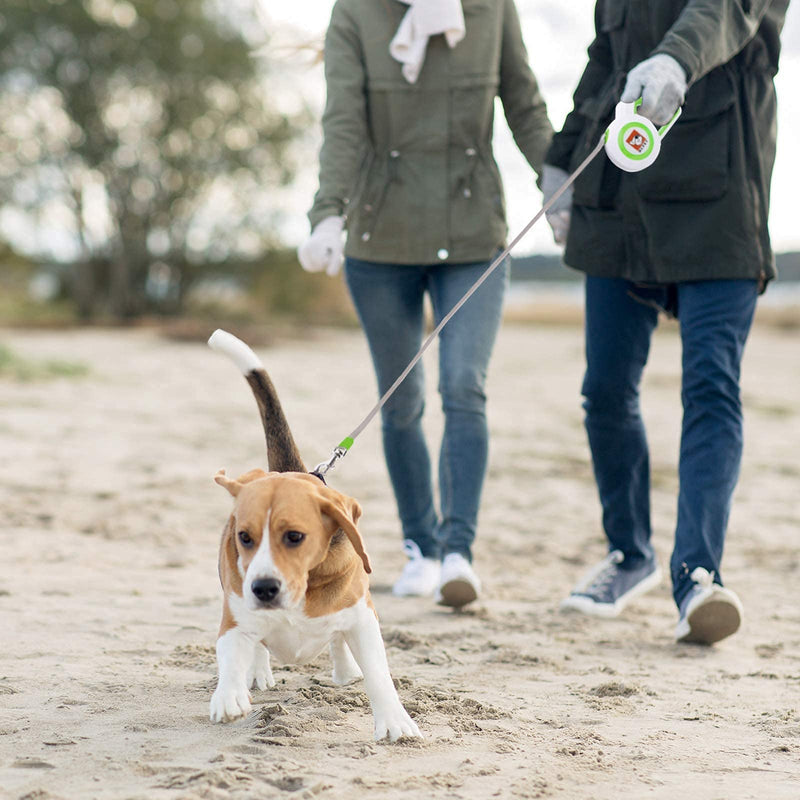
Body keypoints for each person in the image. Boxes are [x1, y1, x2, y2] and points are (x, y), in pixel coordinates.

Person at [541, 0, 788, 643]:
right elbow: (604, 60)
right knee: (604, 392)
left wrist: (675, 57)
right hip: (619, 205)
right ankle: (630, 555)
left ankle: (697, 577)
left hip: (722, 199)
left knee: (710, 386)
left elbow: (723, 11)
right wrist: (561, 157)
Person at [299, 0, 552, 606]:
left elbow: (525, 105)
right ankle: (421, 548)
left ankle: (458, 552)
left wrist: (560, 182)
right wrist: (327, 212)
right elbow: (343, 121)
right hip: (380, 240)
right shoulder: (355, 13)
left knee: (464, 386)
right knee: (400, 399)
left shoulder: (493, 11)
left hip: (473, 235)